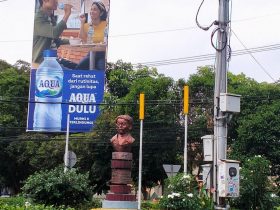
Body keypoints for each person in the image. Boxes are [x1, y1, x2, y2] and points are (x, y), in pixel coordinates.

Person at [32, 0, 72, 68]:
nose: (57, 2)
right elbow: (54, 33)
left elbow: (55, 40)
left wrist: (71, 41)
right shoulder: (37, 18)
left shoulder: (50, 17)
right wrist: (67, 14)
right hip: (41, 62)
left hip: (53, 60)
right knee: (74, 74)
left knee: (79, 67)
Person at [76, 1, 107, 70]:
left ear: (101, 13)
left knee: (101, 69)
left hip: (103, 54)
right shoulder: (87, 25)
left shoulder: (106, 25)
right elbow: (82, 40)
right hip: (91, 53)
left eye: (95, 9)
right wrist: (82, 22)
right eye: (91, 9)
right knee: (79, 68)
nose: (92, 11)